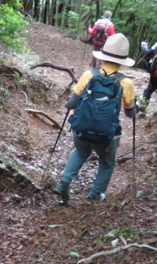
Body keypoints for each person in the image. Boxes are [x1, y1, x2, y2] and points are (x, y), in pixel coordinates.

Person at [53, 33, 137, 204]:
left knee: (80, 151)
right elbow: (130, 113)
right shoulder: (126, 83)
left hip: (81, 129)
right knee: (106, 163)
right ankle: (94, 196)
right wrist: (136, 108)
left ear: (103, 56)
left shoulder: (88, 75)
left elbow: (72, 103)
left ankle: (64, 183)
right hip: (106, 135)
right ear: (122, 61)